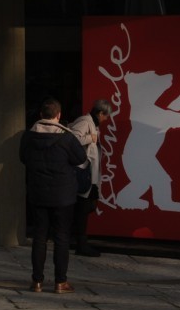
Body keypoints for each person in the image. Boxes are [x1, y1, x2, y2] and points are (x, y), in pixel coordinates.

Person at [19, 98, 87, 293]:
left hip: (38, 192)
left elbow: (23, 158)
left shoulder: (28, 136)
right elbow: (81, 158)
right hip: (63, 195)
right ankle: (60, 282)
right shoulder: (67, 138)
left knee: (39, 236)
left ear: (41, 115)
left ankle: (37, 281)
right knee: (62, 237)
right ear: (58, 115)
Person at [66, 100, 111, 260]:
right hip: (84, 174)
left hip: (90, 175)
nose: (106, 119)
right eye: (106, 116)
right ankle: (80, 243)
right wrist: (90, 138)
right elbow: (72, 139)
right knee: (83, 209)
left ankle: (77, 240)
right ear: (100, 113)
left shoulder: (93, 124)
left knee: (88, 206)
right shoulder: (85, 122)